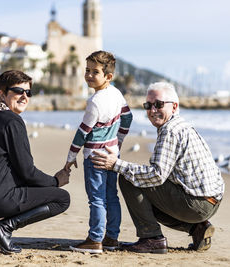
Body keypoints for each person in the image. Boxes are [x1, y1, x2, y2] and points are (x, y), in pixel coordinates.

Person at [91, 82, 224, 254]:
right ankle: (198, 228)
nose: (152, 110)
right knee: (143, 185)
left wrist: (115, 164)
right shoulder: (183, 125)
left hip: (198, 203)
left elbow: (157, 176)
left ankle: (151, 238)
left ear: (174, 106)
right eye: (148, 105)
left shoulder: (170, 131)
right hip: (212, 201)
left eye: (159, 104)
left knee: (129, 179)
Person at [0, 70, 71, 254]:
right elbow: (27, 172)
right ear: (2, 93)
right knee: (62, 198)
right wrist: (56, 181)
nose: (24, 96)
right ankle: (5, 228)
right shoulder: (12, 121)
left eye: (28, 92)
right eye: (18, 91)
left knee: (3, 172)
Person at [64, 51, 133, 254]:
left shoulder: (94, 102)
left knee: (96, 199)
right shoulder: (117, 94)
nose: (89, 75)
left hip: (94, 157)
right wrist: (117, 143)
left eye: (95, 72)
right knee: (112, 196)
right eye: (87, 70)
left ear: (108, 76)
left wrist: (70, 157)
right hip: (112, 156)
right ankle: (111, 238)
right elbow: (128, 119)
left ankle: (95, 240)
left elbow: (82, 133)